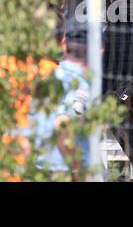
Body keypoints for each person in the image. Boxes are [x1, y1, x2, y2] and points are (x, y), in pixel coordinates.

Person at [27, 26, 91, 178]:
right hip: (62, 169)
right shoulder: (77, 79)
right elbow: (62, 125)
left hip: (37, 166)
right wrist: (79, 171)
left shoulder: (42, 76)